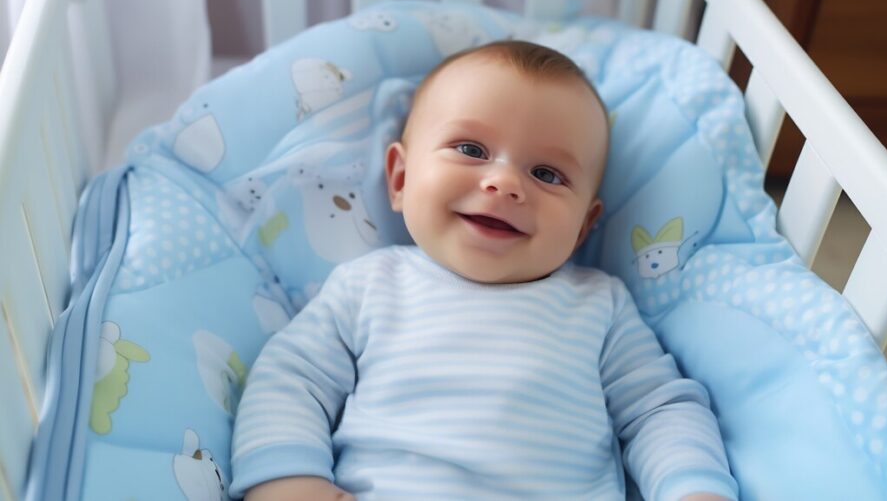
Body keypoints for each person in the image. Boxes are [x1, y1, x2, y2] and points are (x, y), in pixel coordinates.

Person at [230, 41, 739, 501]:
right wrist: (289, 480)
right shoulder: (370, 285)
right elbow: (291, 379)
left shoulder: (599, 304)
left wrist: (692, 487)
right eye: (471, 150)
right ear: (402, 178)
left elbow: (658, 409)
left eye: (546, 174)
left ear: (584, 227)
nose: (504, 183)